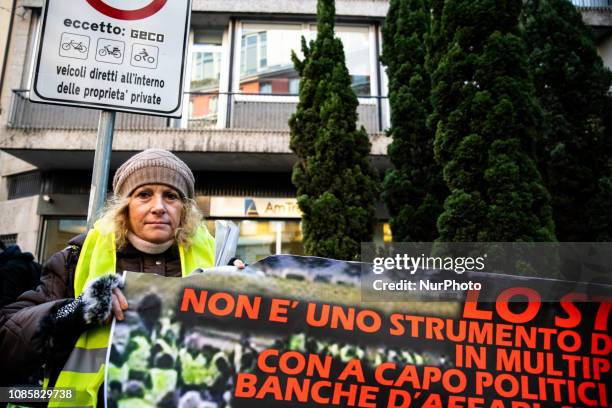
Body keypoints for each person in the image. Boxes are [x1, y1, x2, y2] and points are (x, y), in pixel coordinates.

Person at [0, 149, 244, 404]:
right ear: (124, 207)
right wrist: (77, 310)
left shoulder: (217, 260)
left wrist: (253, 291)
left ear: (184, 209)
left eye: (170, 196)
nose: (158, 207)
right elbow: (8, 342)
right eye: (144, 195)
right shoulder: (74, 259)